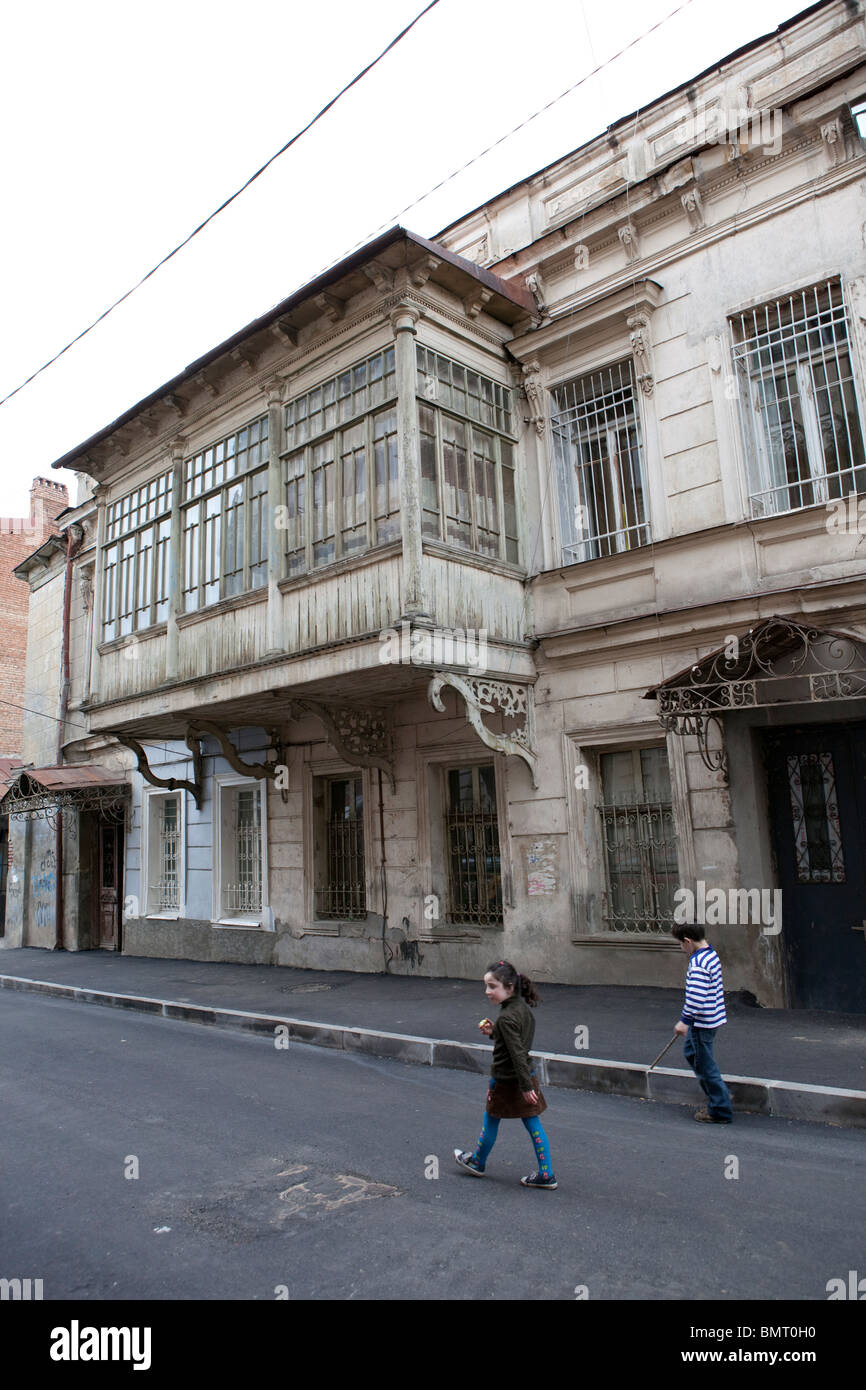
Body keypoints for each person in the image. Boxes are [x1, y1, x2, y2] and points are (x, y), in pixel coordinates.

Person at [454, 959, 557, 1189]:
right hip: (524, 1076)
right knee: (533, 1123)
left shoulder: (507, 1017)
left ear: (509, 987)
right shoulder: (521, 1010)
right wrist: (494, 1031)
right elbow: (516, 1043)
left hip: (506, 1080)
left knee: (490, 1120)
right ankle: (546, 1173)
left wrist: (525, 1087)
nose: (487, 991)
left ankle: (478, 1161)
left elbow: (516, 1053)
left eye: (492, 986)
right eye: (487, 986)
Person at [672, 923, 733, 1124]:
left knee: (705, 1064)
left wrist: (684, 1022)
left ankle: (719, 1108)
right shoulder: (710, 954)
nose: (682, 948)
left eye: (681, 944)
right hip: (712, 1018)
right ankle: (720, 1094)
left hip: (702, 1022)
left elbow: (696, 999)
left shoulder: (698, 964)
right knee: (692, 1053)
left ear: (688, 941)